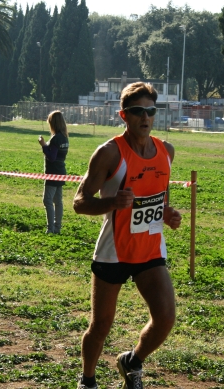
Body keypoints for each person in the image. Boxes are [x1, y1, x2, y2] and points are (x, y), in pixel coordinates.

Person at [73, 82, 182, 389]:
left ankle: (131, 361)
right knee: (101, 325)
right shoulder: (109, 153)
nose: (145, 117)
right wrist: (112, 202)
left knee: (165, 317)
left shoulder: (166, 151)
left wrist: (168, 214)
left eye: (151, 110)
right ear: (124, 115)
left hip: (150, 249)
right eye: (137, 111)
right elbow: (79, 202)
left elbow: (160, 199)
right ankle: (88, 380)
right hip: (114, 252)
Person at [38, 111, 69, 234]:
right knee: (58, 201)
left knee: (48, 200)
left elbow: (52, 157)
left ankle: (51, 228)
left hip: (53, 173)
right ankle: (57, 228)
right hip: (61, 171)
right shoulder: (65, 137)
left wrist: (43, 145)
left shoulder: (56, 138)